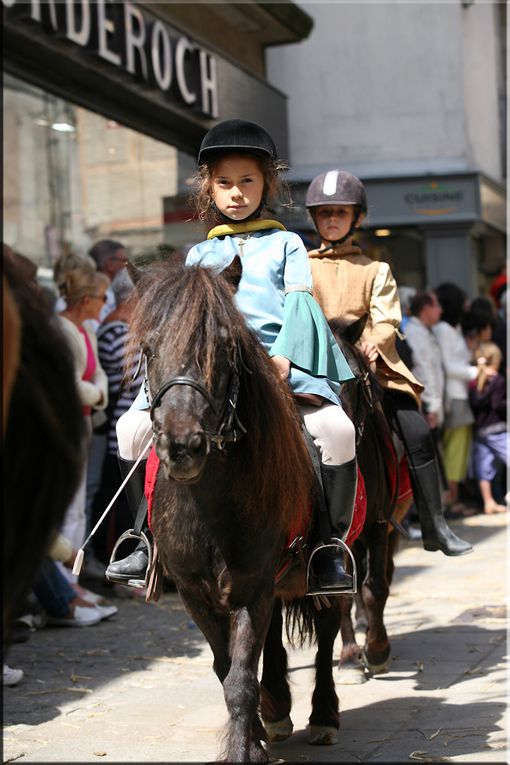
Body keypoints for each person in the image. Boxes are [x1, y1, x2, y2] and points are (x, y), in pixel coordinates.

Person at [107, 119, 359, 595]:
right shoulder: (199, 253)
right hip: (207, 372)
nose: (237, 193)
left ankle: (327, 547)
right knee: (130, 428)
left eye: (247, 180)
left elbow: (300, 305)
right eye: (225, 183)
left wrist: (284, 356)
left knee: (338, 431)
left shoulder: (287, 243)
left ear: (267, 184)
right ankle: (142, 538)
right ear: (210, 188)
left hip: (276, 366)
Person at [305, 169, 472, 556]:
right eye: (324, 212)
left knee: (416, 431)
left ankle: (435, 525)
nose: (332, 219)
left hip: (372, 367)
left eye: (340, 212)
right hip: (314, 369)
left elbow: (387, 318)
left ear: (357, 218)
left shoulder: (375, 269)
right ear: (314, 218)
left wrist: (368, 343)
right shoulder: (302, 267)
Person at [55, 268, 110, 586]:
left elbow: (97, 372)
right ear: (87, 300)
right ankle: (63, 584)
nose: (105, 304)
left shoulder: (86, 329)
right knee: (70, 505)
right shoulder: (60, 329)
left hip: (85, 420)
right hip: (67, 423)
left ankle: (70, 583)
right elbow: (71, 384)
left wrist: (94, 390)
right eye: (101, 298)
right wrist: (99, 392)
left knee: (79, 505)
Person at [91, 268, 144, 564]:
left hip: (127, 428)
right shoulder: (117, 331)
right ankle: (119, 561)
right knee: (123, 505)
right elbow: (135, 381)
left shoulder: (126, 327)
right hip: (122, 432)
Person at [434, 283, 478, 513]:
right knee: (454, 449)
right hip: (453, 396)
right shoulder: (443, 329)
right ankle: (452, 500)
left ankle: (453, 498)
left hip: (459, 394)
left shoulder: (451, 328)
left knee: (458, 448)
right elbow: (448, 366)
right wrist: (475, 372)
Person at [468, 342, 508, 514]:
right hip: (497, 428)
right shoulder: (497, 379)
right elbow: (497, 404)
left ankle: (488, 502)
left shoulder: (474, 380)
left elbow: (476, 403)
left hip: (480, 430)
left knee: (483, 467)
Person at [405, 291, 445, 431]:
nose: (440, 310)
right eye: (437, 305)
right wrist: (433, 406)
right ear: (425, 309)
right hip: (426, 408)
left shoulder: (424, 331)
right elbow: (424, 371)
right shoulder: (416, 334)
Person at [88, 239, 128, 322]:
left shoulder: (109, 290)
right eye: (124, 261)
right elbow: (98, 325)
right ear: (110, 264)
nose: (126, 266)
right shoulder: (96, 292)